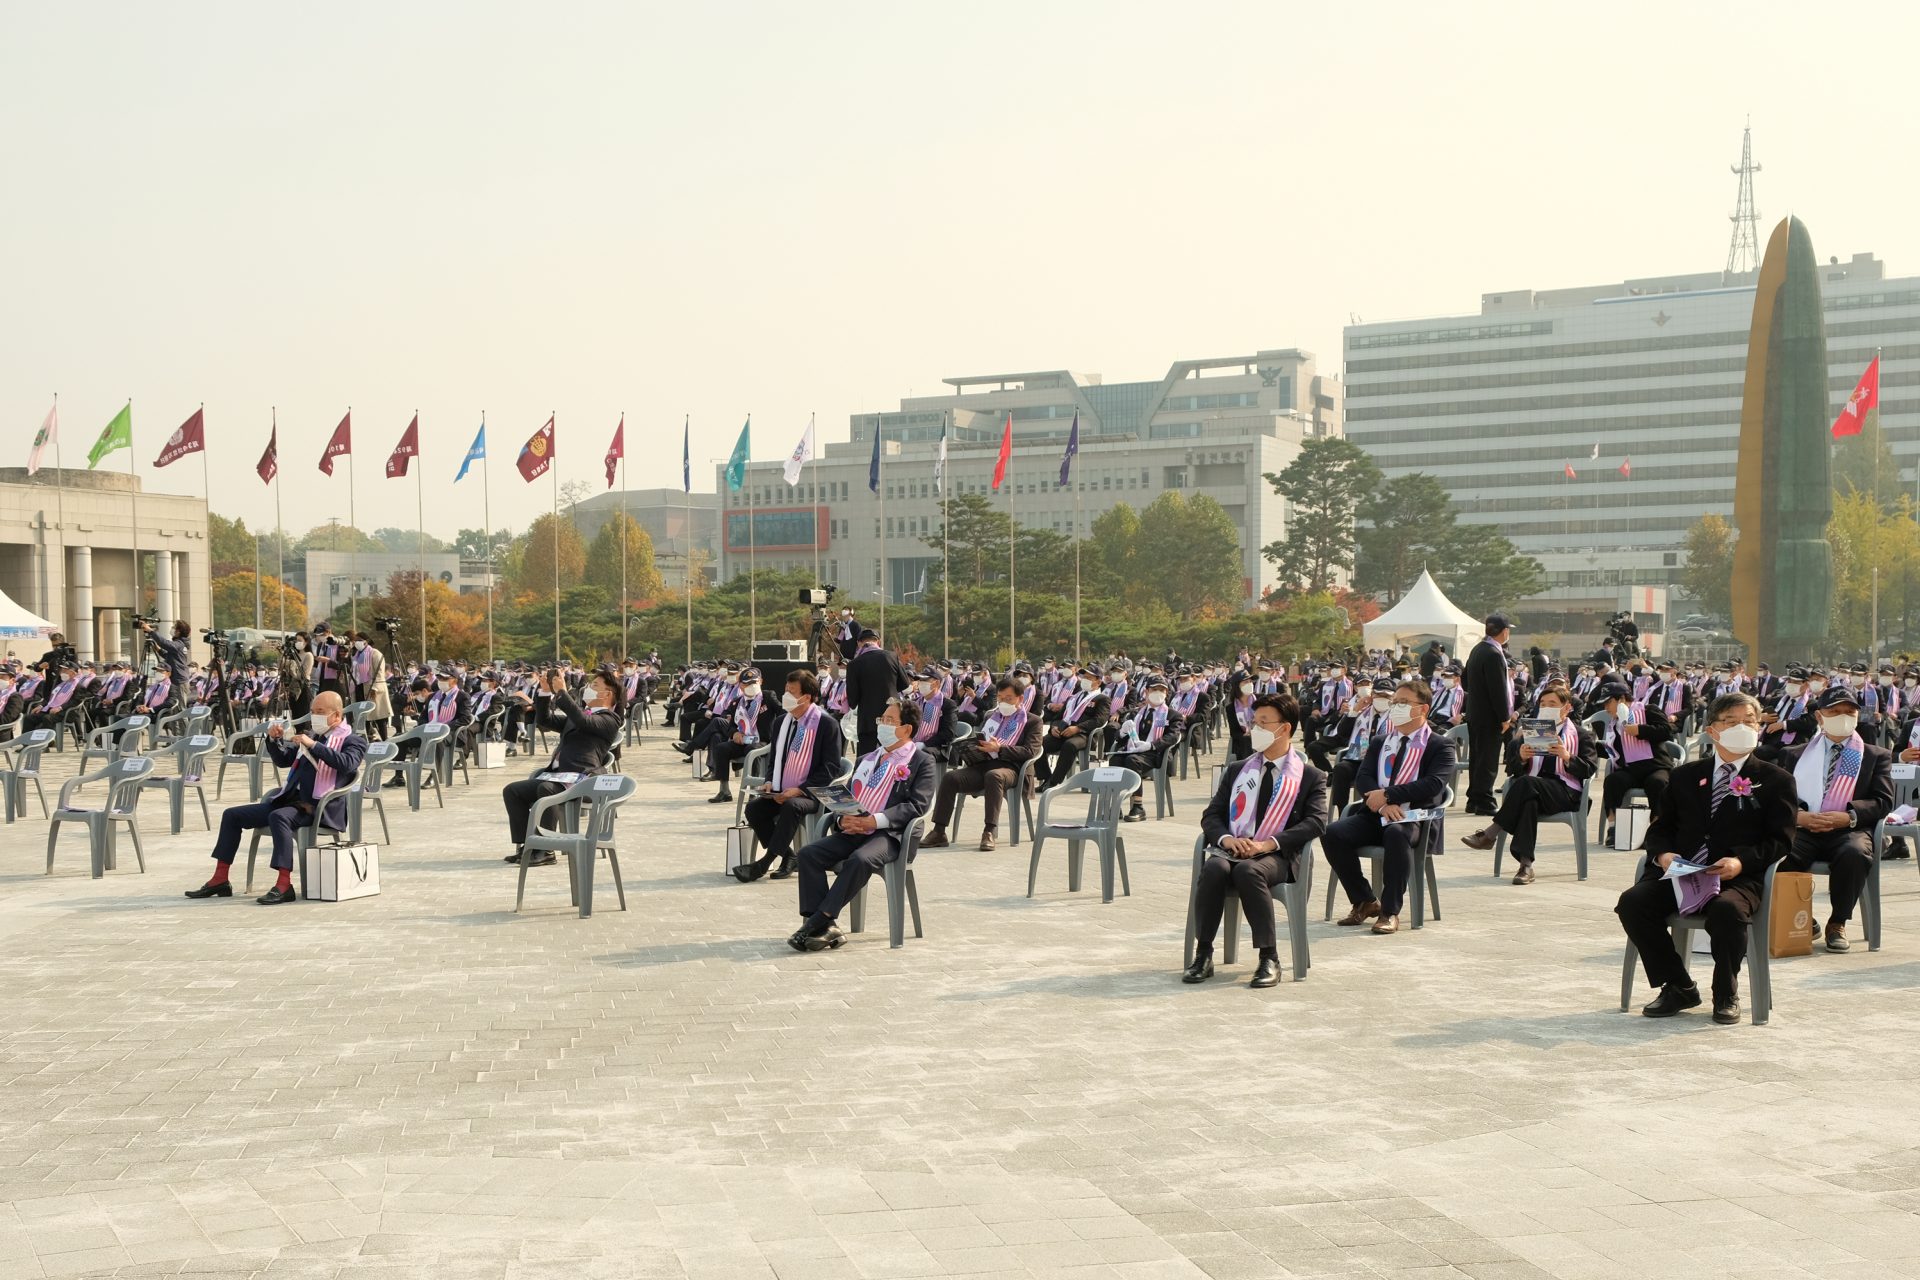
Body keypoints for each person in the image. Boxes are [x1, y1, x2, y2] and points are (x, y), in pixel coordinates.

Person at [1615, 691, 1797, 1024]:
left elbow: (1780, 841)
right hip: (1683, 872)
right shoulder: (1685, 775)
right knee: (1633, 902)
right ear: (1712, 731)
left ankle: (1725, 992)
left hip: (1737, 876)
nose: (1741, 727)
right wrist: (1663, 855)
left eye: (1749, 721)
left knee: (1727, 911)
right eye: (1730, 722)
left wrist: (1741, 861)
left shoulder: (1776, 780)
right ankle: (1679, 985)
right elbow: (1661, 828)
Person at [1184, 693, 1329, 988]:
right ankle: (1204, 954)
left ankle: (1269, 957)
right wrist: (1225, 839)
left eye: (1264, 722)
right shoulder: (1240, 770)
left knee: (1248, 871)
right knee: (1214, 869)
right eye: (1255, 721)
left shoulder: (1310, 776)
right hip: (1235, 849)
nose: (1255, 728)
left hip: (1278, 855)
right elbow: (1212, 814)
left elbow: (1316, 822)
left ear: (1284, 728)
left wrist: (1268, 844)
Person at [183, 691, 368, 905]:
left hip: (318, 806)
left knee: (279, 817)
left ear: (336, 716)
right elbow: (284, 760)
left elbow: (346, 763)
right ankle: (220, 878)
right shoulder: (314, 735)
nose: (314, 716)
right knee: (232, 815)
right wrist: (274, 739)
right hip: (293, 801)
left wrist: (313, 745)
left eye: (320, 712)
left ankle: (284, 883)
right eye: (312, 712)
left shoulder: (353, 741)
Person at [786, 698, 936, 952]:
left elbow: (917, 806)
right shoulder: (867, 758)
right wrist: (842, 816)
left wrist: (874, 820)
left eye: (890, 721)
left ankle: (817, 921)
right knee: (809, 854)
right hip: (855, 828)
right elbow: (851, 794)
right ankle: (827, 926)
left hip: (890, 835)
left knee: (860, 859)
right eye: (882, 720)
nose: (883, 725)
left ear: (907, 729)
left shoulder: (921, 761)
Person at [1320, 679, 1456, 935]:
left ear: (1423, 709)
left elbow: (1434, 784)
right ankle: (1365, 900)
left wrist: (1389, 796)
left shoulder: (1440, 744)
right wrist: (1382, 805)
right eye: (1395, 703)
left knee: (1396, 833)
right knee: (1332, 833)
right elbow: (1364, 777)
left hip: (1414, 817)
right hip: (1377, 814)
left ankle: (1390, 911)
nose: (1397, 708)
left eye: (1404, 703)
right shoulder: (1382, 741)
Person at [1778, 687, 1895, 953]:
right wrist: (1799, 817)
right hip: (1805, 828)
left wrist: (1849, 816)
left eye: (1849, 712)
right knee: (1777, 853)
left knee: (1854, 854)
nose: (1843, 717)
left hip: (1849, 829)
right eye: (1834, 711)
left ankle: (1838, 922)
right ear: (1820, 717)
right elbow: (1779, 798)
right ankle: (1804, 920)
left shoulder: (1875, 755)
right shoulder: (1795, 754)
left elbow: (1882, 800)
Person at [1459, 684, 1599, 882]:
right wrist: (1522, 758)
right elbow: (1511, 770)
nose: (1546, 707)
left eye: (1552, 703)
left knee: (1526, 784)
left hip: (1565, 792)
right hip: (1532, 790)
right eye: (1543, 703)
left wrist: (1567, 757)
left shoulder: (1581, 734)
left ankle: (1491, 833)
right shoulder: (1530, 732)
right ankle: (1525, 866)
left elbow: (1590, 769)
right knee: (1528, 801)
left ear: (1567, 707)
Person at [501, 666, 623, 866]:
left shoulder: (610, 719)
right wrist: (545, 692)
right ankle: (528, 845)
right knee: (513, 791)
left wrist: (562, 692)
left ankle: (546, 849)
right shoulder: (582, 715)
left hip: (583, 779)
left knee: (547, 789)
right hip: (560, 776)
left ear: (607, 694)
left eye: (594, 685)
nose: (588, 688)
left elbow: (583, 721)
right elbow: (544, 720)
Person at [735, 669, 845, 882]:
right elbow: (775, 759)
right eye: (786, 690)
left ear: (808, 696)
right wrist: (769, 781)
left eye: (792, 692)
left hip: (811, 793)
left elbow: (831, 767)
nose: (786, 696)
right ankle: (789, 856)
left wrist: (800, 789)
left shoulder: (826, 724)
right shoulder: (782, 722)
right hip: (781, 789)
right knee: (754, 809)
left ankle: (764, 862)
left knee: (791, 806)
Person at [922, 675, 1044, 851]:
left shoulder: (1033, 721)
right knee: (950, 778)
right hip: (984, 764)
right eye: (1001, 698)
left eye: (1009, 698)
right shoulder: (992, 717)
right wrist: (971, 749)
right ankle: (939, 831)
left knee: (994, 776)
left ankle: (989, 831)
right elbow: (984, 741)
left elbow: (1030, 751)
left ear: (1020, 698)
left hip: (1012, 769)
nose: (1003, 702)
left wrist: (999, 748)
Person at [1595, 677, 1674, 844]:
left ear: (1622, 699)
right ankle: (1613, 828)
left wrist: (1639, 730)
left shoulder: (1648, 710)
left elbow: (1667, 731)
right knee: (1612, 781)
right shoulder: (1613, 724)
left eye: (1608, 702)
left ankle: (1656, 830)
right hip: (1631, 769)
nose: (1606, 708)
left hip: (1655, 765)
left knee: (1658, 783)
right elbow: (1612, 751)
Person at [1108, 673, 1185, 822]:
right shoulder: (1137, 712)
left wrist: (1151, 745)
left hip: (1156, 754)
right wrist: (1123, 732)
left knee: (1132, 761)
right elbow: (1119, 737)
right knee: (1116, 760)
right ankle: (1116, 805)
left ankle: (1138, 806)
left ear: (1167, 693)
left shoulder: (1172, 715)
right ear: (1146, 692)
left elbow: (1173, 736)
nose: (1158, 693)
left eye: (1162, 690)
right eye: (1154, 689)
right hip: (1134, 751)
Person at [1462, 614, 1514, 817]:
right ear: (1504, 631)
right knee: (1488, 759)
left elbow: (1465, 680)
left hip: (1475, 712)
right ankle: (1484, 800)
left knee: (1477, 757)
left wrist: (1477, 695)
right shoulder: (1493, 653)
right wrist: (1504, 716)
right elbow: (1498, 689)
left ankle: (1474, 799)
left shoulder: (1478, 649)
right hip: (1489, 715)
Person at [705, 666, 775, 804]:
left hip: (761, 741)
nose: (750, 686)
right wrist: (734, 732)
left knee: (752, 750)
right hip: (742, 740)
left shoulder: (767, 697)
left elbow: (782, 713)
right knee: (721, 748)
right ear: (741, 686)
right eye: (746, 684)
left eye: (753, 683)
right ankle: (724, 790)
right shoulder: (737, 701)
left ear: (760, 681)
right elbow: (731, 725)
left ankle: (753, 792)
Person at [1036, 662, 1111, 787]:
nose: (1085, 680)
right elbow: (1058, 717)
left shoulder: (1102, 699)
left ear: (1098, 681)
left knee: (1069, 745)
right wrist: (1054, 727)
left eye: (1089, 678)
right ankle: (1046, 778)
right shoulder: (1073, 697)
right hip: (1064, 731)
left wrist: (1078, 728)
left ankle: (1054, 782)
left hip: (1084, 735)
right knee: (1038, 745)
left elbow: (1099, 720)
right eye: (1084, 677)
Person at [843, 628, 908, 756]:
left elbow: (852, 700)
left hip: (867, 722)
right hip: (892, 718)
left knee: (866, 761)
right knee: (893, 758)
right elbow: (905, 683)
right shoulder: (892, 656)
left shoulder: (854, 664)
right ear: (878, 641)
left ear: (859, 643)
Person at [136, 618, 192, 715]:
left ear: (178, 631)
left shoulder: (180, 644)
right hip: (176, 680)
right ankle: (176, 730)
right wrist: (158, 649)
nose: (172, 629)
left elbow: (165, 643)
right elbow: (169, 656)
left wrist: (151, 631)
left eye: (174, 628)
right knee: (175, 711)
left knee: (180, 710)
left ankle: (185, 730)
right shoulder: (179, 644)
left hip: (179, 681)